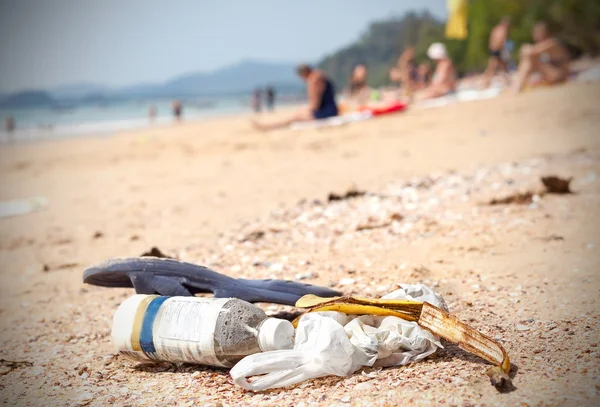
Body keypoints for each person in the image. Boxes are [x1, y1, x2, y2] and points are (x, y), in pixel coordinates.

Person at [252, 64, 338, 131]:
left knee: (294, 117)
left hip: (326, 113)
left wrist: (308, 109)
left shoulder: (313, 80)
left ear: (303, 73)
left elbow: (315, 105)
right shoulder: (319, 75)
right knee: (299, 113)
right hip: (331, 109)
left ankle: (269, 126)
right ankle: (268, 125)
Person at [511, 21, 570, 93]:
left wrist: (525, 49)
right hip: (552, 74)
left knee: (531, 59)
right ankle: (517, 86)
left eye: (536, 33)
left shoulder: (552, 43)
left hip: (560, 76)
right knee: (530, 60)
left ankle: (516, 87)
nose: (535, 35)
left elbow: (531, 52)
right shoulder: (544, 45)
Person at [482, 17, 511, 88]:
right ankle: (486, 83)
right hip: (497, 50)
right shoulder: (503, 30)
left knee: (502, 66)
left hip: (493, 49)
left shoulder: (495, 29)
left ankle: (508, 81)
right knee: (493, 66)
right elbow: (501, 41)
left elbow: (492, 40)